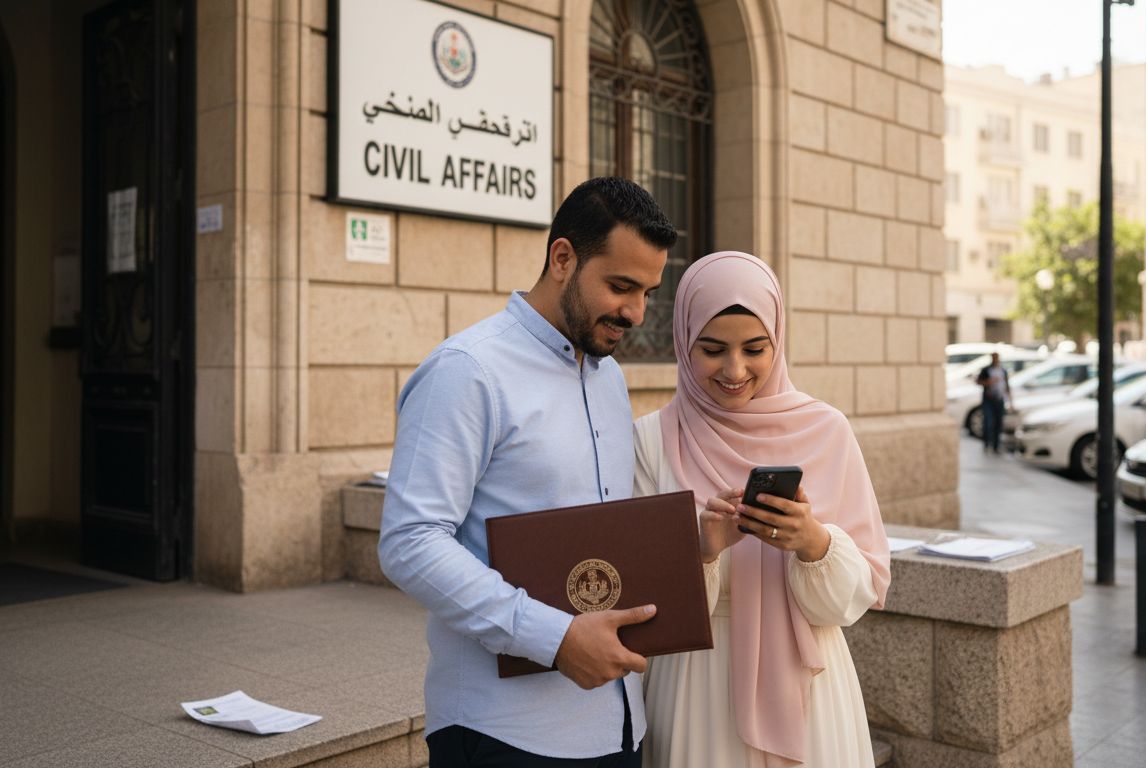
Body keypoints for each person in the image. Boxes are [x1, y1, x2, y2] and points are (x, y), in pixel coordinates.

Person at [378, 177, 676, 767]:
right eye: (620, 286)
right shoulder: (466, 372)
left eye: (647, 291)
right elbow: (410, 543)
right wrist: (555, 638)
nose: (635, 312)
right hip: (505, 734)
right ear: (562, 258)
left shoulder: (610, 377)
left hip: (619, 727)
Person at [633, 251, 891, 767]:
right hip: (695, 689)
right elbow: (639, 603)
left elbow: (856, 596)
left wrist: (813, 543)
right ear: (683, 343)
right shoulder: (651, 440)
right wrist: (703, 550)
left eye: (755, 348)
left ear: (778, 339)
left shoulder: (827, 431)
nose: (735, 370)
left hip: (810, 691)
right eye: (712, 349)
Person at [976, 352, 1012, 453]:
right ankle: (987, 443)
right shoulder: (986, 370)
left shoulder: (1003, 371)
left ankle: (996, 445)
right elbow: (978, 381)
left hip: (999, 399)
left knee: (998, 422)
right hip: (989, 399)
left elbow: (1007, 387)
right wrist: (989, 382)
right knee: (988, 421)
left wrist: (1010, 402)